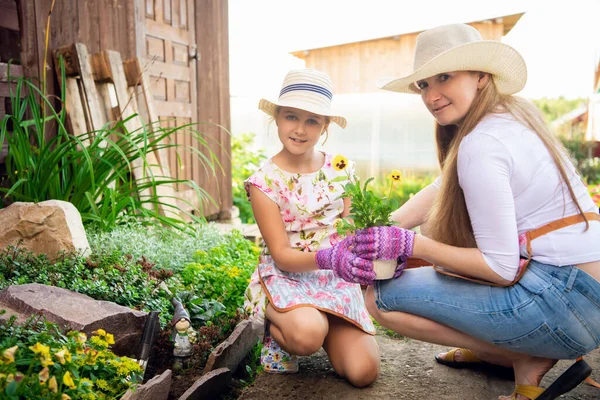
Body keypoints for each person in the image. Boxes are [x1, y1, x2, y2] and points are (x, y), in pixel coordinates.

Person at [341, 24, 600, 400]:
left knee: (380, 298)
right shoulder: (512, 116)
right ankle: (509, 349)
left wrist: (410, 244)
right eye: (423, 85)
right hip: (583, 296)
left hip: (563, 304)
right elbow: (443, 187)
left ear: (480, 75)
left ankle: (516, 354)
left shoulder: (483, 142)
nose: (431, 95)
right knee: (439, 262)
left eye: (444, 78)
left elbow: (499, 267)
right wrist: (382, 228)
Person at [242, 68, 380, 387]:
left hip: (334, 277)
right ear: (277, 117)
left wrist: (367, 243)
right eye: (291, 116)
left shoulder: (340, 168)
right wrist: (334, 257)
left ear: (325, 126)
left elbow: (351, 222)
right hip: (287, 274)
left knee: (364, 372)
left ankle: (324, 317)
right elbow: (282, 255)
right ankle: (280, 328)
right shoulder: (264, 182)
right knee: (307, 337)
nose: (300, 130)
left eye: (312, 120)